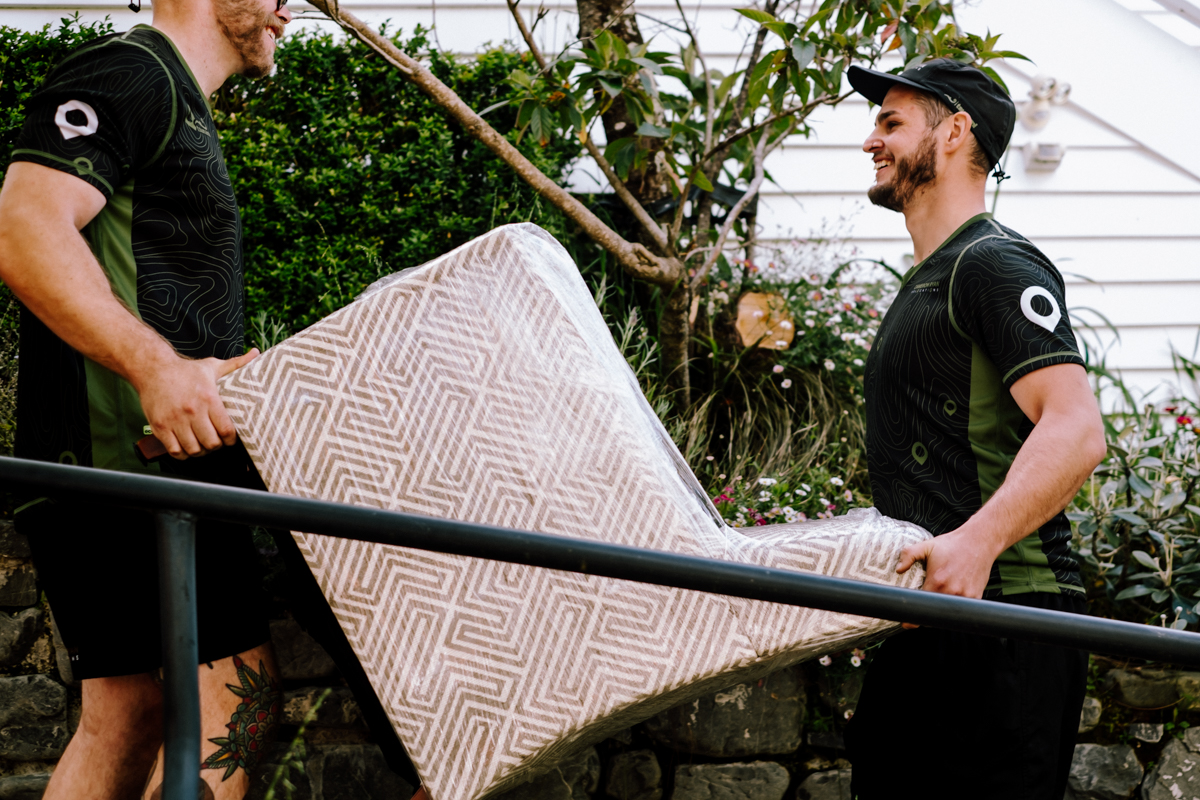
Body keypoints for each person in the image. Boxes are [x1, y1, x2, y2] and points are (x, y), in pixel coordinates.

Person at [0, 0, 293, 797]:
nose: (289, 9)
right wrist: (158, 371)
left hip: (115, 472)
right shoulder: (131, 73)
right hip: (130, 470)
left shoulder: (174, 96)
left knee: (128, 712)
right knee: (235, 700)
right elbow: (26, 227)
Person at [841, 59, 1107, 799]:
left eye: (892, 122)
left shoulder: (994, 264)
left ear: (955, 131)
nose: (871, 140)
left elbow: (1076, 427)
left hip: (1007, 622)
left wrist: (978, 542)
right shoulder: (930, 277)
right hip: (935, 617)